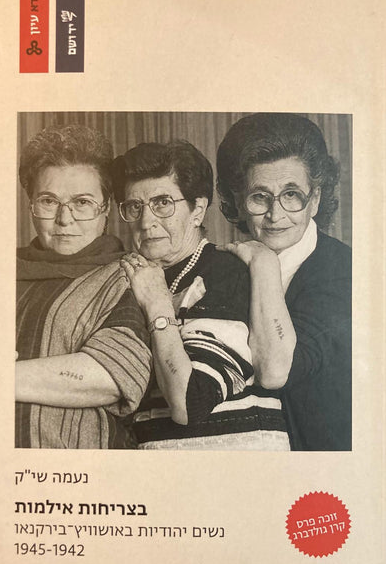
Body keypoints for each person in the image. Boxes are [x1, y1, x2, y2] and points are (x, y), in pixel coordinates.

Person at [112, 140, 290, 450]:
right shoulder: (132, 276)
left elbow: (189, 402)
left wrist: (158, 306)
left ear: (197, 209)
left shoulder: (224, 272)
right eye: (134, 207)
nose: (146, 221)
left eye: (163, 203)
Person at [216, 113, 351, 451]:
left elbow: (277, 373)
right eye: (259, 197)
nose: (275, 216)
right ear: (238, 202)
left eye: (292, 195)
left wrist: (263, 264)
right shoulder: (228, 266)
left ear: (315, 199)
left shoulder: (343, 271)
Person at [16, 124, 151, 448]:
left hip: (80, 465)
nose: (65, 219)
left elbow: (112, 375)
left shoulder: (126, 276)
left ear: (105, 210)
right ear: (31, 205)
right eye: (48, 201)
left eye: (82, 202)